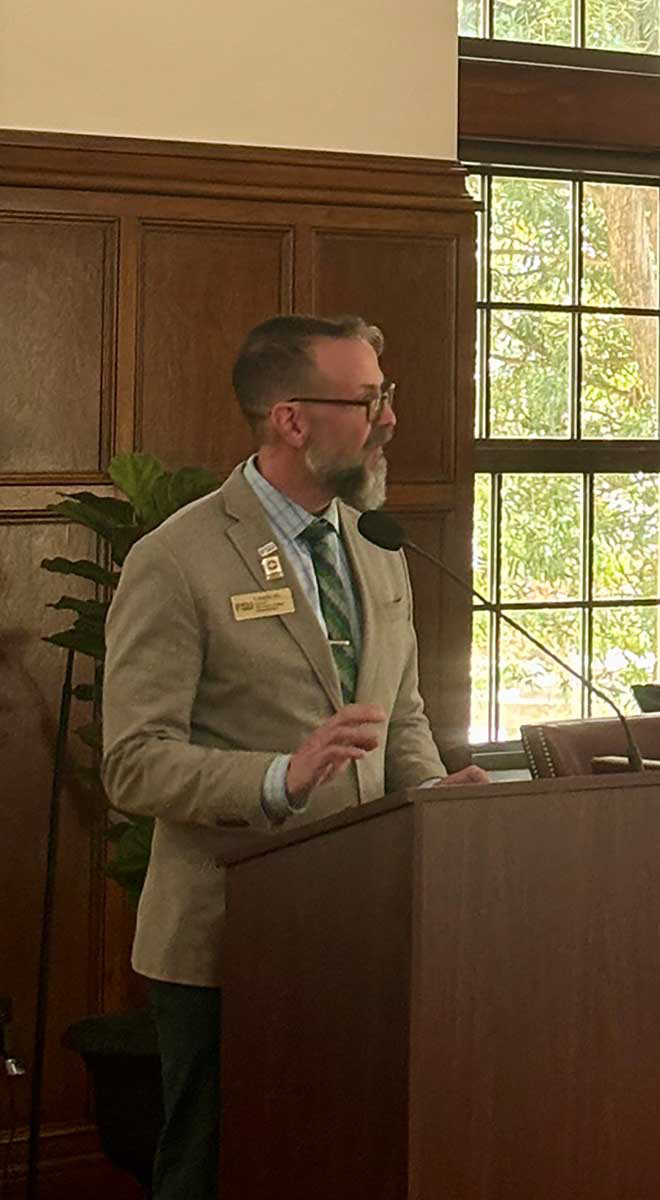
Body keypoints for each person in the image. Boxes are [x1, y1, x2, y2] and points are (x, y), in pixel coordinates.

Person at [101, 314, 488, 1200]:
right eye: (369, 400)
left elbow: (401, 719)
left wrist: (434, 798)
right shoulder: (178, 559)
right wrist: (281, 776)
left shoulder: (377, 546)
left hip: (368, 933)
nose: (390, 418)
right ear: (291, 419)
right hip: (229, 940)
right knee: (213, 1167)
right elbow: (132, 762)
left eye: (384, 396)